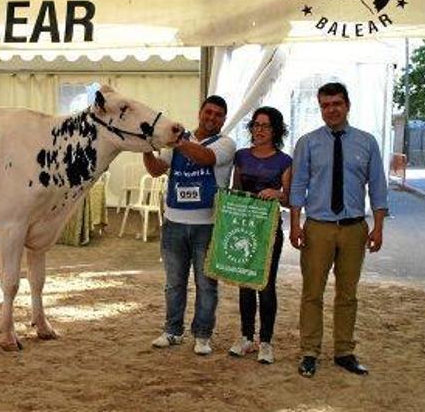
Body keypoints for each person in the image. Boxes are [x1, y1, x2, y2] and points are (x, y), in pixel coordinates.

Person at [289, 82, 388, 378]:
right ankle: (309, 352)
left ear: (347, 106)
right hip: (317, 228)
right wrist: (295, 224)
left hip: (354, 228)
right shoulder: (307, 143)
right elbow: (298, 185)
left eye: (336, 104)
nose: (331, 110)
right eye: (325, 105)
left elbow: (378, 186)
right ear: (320, 108)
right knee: (312, 292)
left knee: (347, 294)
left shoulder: (367, 142)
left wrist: (378, 227)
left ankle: (344, 351)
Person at [143, 95, 236, 356]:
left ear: (224, 119)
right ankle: (172, 331)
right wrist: (146, 147)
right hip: (174, 222)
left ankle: (203, 335)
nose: (212, 117)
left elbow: (205, 158)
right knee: (174, 283)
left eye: (218, 114)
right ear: (200, 112)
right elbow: (156, 169)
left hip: (208, 225)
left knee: (206, 285)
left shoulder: (226, 143)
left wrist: (179, 141)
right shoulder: (178, 141)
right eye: (208, 112)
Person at [227, 107, 292, 365]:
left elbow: (290, 199)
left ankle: (265, 341)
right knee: (245, 283)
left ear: (276, 130)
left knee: (265, 285)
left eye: (266, 125)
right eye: (256, 124)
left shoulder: (284, 161)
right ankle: (246, 337)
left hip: (269, 230)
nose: (260, 130)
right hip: (243, 227)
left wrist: (277, 194)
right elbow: (235, 190)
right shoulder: (241, 156)